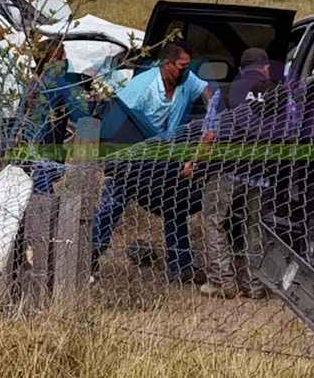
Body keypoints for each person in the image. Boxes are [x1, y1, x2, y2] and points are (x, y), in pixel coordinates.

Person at [90, 40, 214, 283]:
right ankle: (88, 257)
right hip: (136, 157)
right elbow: (117, 122)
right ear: (166, 64)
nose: (185, 71)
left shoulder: (186, 79)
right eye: (181, 66)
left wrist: (213, 120)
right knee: (113, 204)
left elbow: (207, 91)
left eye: (187, 66)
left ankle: (181, 268)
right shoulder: (142, 87)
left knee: (175, 204)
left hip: (166, 157)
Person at [196, 48, 277, 299]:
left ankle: (222, 282)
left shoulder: (226, 92)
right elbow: (291, 130)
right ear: (265, 68)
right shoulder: (280, 94)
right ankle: (254, 285)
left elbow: (210, 134)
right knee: (255, 226)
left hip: (227, 169)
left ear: (241, 69)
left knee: (214, 221)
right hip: (262, 173)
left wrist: (194, 162)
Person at [22, 39, 90, 194]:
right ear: (53, 60)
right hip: (47, 148)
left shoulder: (33, 81)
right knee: (42, 193)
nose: (66, 61)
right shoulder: (60, 83)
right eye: (64, 57)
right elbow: (81, 115)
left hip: (27, 143)